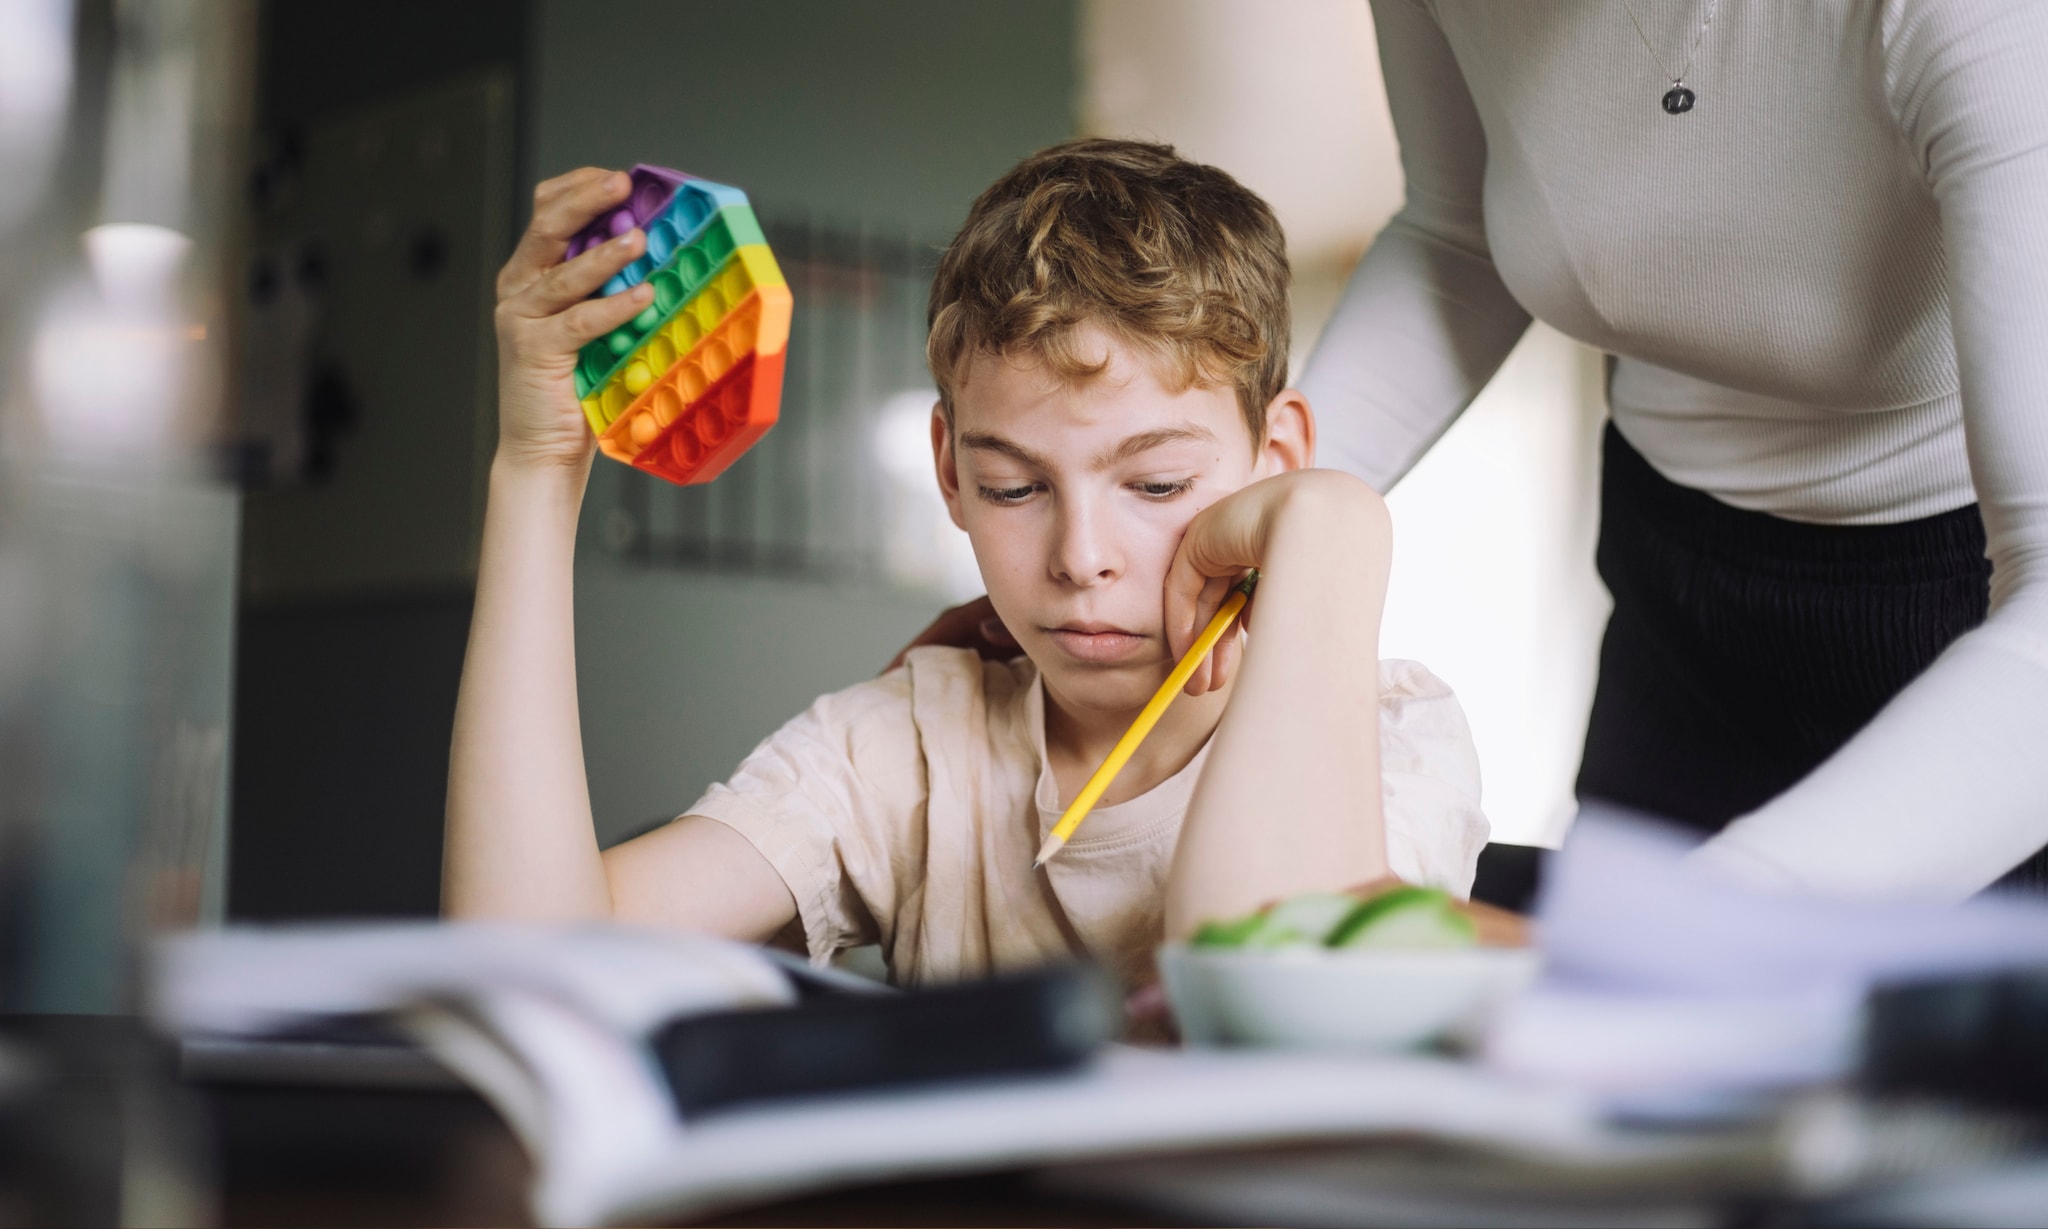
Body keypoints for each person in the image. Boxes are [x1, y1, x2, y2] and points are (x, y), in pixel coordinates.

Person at [923, 1, 2048, 900]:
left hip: (1982, 614)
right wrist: (1184, 544)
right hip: (1677, 577)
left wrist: (1697, 936)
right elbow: (1460, 232)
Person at [442, 139, 1489, 987]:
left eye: (1157, 486)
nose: (1080, 559)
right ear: (948, 470)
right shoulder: (906, 744)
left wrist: (1332, 530)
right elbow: (523, 966)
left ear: (1278, 466)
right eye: (1013, 487)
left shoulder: (1390, 740)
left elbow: (1263, 986)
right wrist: (535, 470)